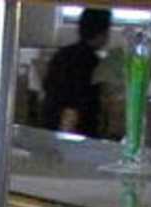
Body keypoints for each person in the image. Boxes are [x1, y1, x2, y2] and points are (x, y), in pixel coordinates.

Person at [41, 7, 111, 136]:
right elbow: (85, 103)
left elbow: (46, 86)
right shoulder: (92, 62)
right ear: (103, 33)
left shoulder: (61, 54)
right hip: (78, 130)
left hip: (50, 124)